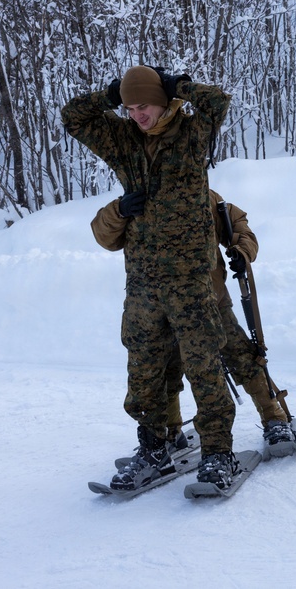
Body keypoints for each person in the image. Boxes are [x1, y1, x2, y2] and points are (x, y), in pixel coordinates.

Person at [61, 66, 239, 490]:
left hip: (190, 279)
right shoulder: (122, 140)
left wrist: (181, 87)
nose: (137, 114)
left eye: (143, 105)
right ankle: (153, 447)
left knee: (203, 365)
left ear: (162, 101)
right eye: (130, 107)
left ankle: (218, 453)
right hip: (142, 279)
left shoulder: (193, 135)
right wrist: (108, 97)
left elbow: (218, 102)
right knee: (143, 367)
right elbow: (73, 117)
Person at [91, 187, 295, 451]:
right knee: (165, 369)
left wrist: (242, 252)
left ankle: (273, 418)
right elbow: (104, 236)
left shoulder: (202, 195)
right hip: (155, 307)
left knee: (241, 356)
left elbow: (239, 225)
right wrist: (119, 210)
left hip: (208, 300)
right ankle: (170, 430)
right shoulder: (135, 198)